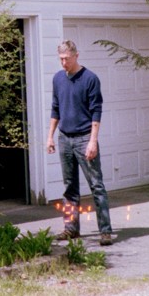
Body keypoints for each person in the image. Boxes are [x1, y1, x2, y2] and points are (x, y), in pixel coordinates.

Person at [47, 40, 114, 246]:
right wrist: (50, 136)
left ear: (76, 55)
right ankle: (70, 229)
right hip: (65, 138)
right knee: (69, 187)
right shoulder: (58, 79)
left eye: (66, 58)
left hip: (85, 136)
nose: (63, 63)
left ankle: (105, 231)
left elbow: (96, 111)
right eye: (61, 59)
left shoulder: (90, 79)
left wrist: (92, 141)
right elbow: (55, 109)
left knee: (96, 185)